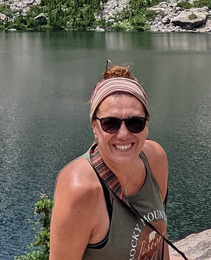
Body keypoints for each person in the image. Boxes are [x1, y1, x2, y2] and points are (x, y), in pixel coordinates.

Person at [49, 64, 171, 260]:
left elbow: (159, 237)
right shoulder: (80, 189)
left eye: (135, 123)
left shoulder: (156, 158)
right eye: (110, 124)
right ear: (95, 127)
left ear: (147, 124)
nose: (123, 134)